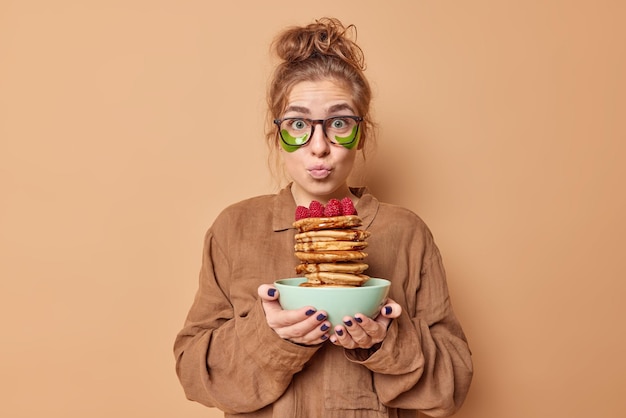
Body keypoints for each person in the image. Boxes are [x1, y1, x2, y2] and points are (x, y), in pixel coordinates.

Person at [174, 17, 473, 418]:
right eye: (299, 124)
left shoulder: (406, 233)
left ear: (360, 133)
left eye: (338, 123)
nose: (319, 147)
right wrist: (272, 337)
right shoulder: (234, 228)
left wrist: (386, 342)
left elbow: (453, 383)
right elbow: (193, 372)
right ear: (277, 134)